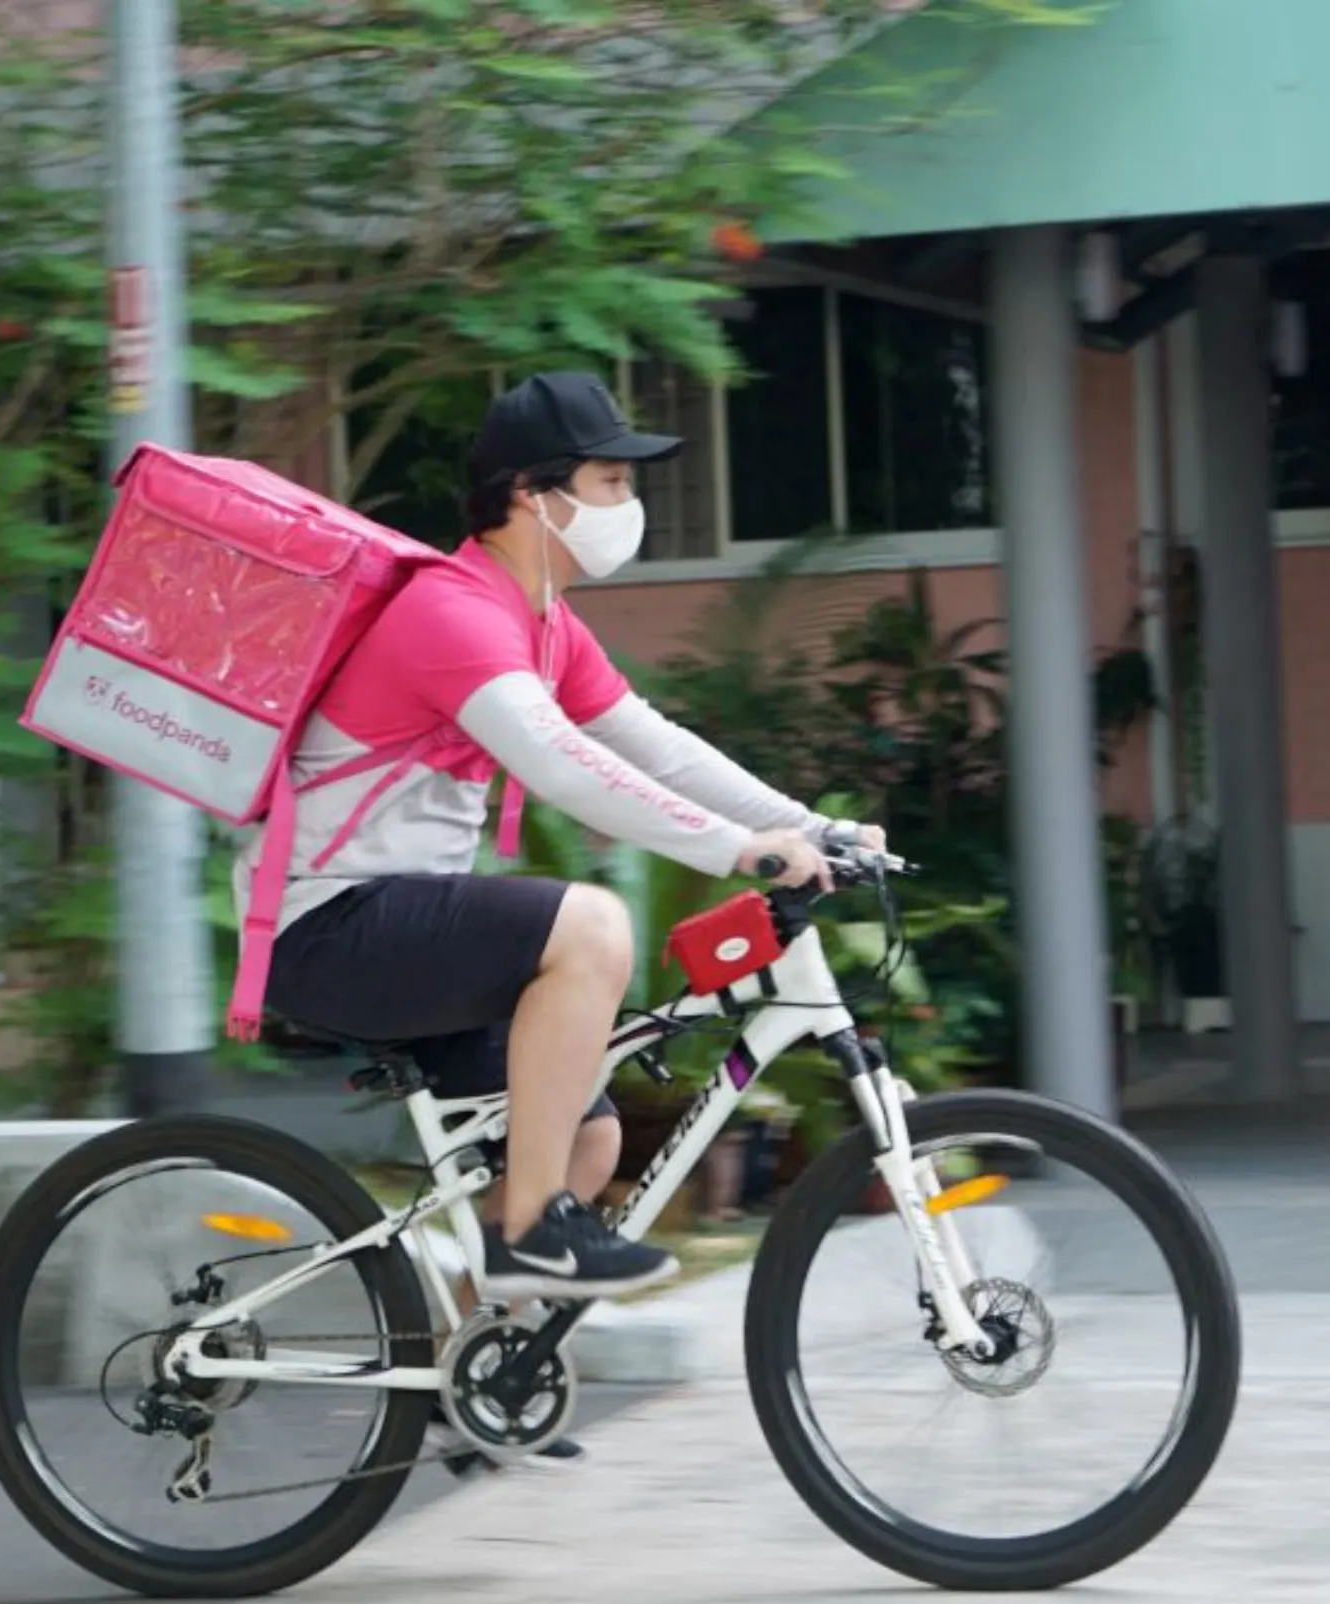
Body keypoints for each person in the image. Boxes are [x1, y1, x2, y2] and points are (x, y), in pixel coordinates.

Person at [246, 370, 883, 1467]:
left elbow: (653, 741)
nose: (624, 503)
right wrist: (737, 852)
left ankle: (479, 1373)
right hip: (339, 929)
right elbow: (560, 763)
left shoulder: (539, 624)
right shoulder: (449, 609)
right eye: (607, 479)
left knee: (586, 1131)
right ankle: (534, 1229)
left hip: (412, 926)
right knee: (589, 926)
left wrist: (809, 825)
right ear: (532, 495)